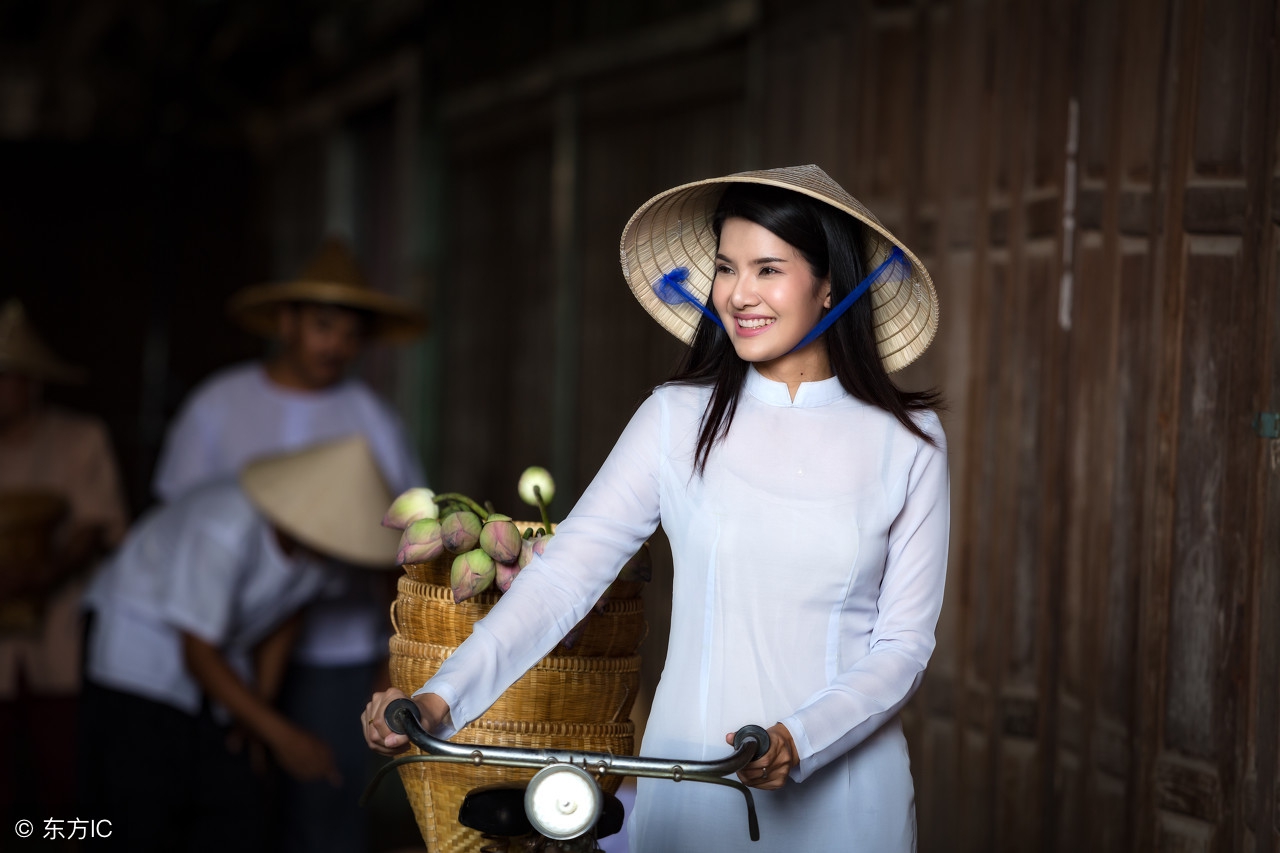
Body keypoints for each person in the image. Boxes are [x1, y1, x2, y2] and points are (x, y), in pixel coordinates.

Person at [363, 164, 950, 852]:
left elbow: (904, 644)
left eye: (768, 269)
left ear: (829, 285)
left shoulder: (909, 441)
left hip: (850, 796)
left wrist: (800, 738)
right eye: (726, 268)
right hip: (692, 778)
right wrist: (440, 697)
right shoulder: (675, 419)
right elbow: (563, 577)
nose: (738, 294)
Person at [150, 235, 427, 853]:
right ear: (286, 322)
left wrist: (394, 656)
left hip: (340, 650)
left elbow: (406, 541)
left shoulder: (373, 418)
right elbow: (177, 527)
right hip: (225, 642)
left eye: (352, 334)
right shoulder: (218, 405)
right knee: (227, 800)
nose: (337, 346)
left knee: (329, 800)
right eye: (323, 326)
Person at [78, 435, 400, 852]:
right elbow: (197, 654)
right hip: (138, 655)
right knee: (142, 807)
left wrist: (258, 709)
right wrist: (282, 736)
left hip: (220, 659)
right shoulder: (223, 527)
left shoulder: (321, 546)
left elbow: (287, 612)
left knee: (233, 803)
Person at [0, 298, 129, 821]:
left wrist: (39, 574)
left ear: (32, 381)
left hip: (59, 634)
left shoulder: (80, 439)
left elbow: (97, 527)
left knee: (63, 770)